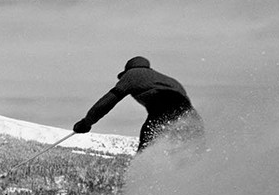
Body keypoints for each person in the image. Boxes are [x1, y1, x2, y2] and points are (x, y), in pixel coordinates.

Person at [73, 56, 203, 153]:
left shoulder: (132, 75)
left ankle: (142, 178)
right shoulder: (170, 81)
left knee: (147, 146)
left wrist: (87, 122)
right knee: (187, 150)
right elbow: (184, 107)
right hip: (190, 115)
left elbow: (107, 102)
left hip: (164, 107)